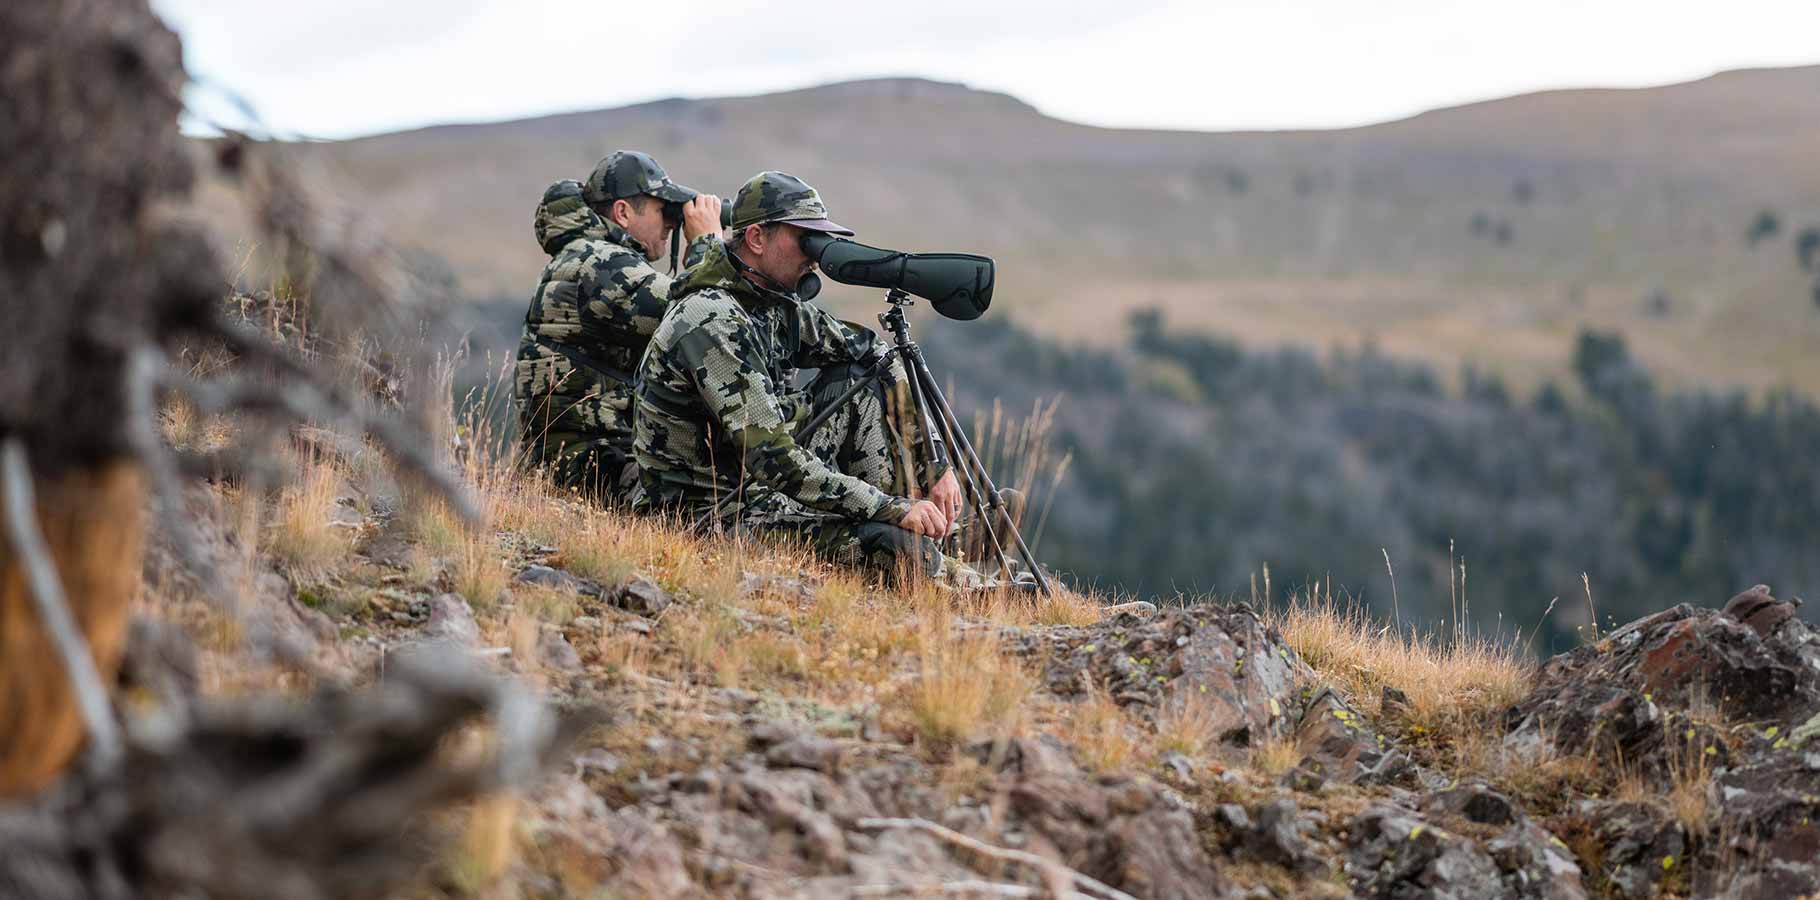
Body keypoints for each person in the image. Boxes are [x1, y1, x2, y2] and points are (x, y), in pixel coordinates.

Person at [634, 170, 1000, 584]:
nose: (814, 255)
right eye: (804, 238)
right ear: (756, 239)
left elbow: (875, 352)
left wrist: (934, 463)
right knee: (894, 549)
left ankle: (928, 539)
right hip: (708, 516)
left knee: (858, 376)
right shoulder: (711, 317)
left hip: (756, 487)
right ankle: (960, 577)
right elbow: (775, 461)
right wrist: (891, 508)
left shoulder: (771, 303)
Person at [513, 151, 722, 502]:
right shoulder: (602, 261)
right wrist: (707, 244)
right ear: (623, 212)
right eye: (663, 210)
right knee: (720, 502)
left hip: (573, 459)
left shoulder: (583, 256)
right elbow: (696, 317)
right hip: (593, 466)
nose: (672, 224)